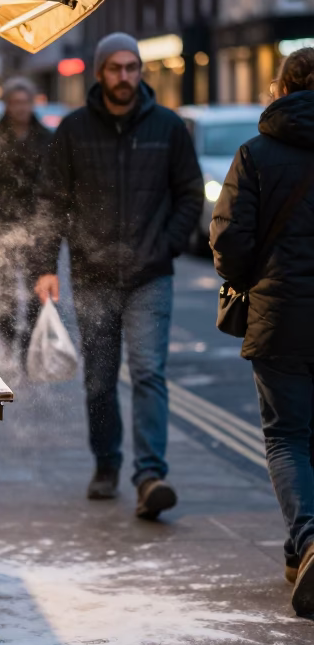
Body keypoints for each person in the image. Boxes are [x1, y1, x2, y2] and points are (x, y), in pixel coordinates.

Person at [34, 32, 203, 517]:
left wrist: (167, 243)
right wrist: (46, 265)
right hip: (93, 274)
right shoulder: (74, 129)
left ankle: (150, 475)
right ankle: (106, 464)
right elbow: (52, 201)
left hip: (152, 274)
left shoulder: (168, 127)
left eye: (132, 67)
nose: (124, 76)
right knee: (100, 379)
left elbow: (190, 193)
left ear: (141, 71)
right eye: (115, 68)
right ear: (100, 72)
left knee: (149, 373)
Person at [210, 46, 314, 616]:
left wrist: (250, 280)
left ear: (282, 87)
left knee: (286, 437)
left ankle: (308, 541)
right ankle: (301, 554)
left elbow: (228, 241)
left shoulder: (256, 154)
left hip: (281, 317)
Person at [0, 77, 52, 363]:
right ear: (6, 105)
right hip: (3, 227)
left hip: (38, 228)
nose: (20, 108)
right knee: (6, 293)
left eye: (24, 102)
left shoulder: (47, 139)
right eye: (14, 102)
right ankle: (10, 341)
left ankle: (29, 346)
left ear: (32, 103)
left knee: (37, 293)